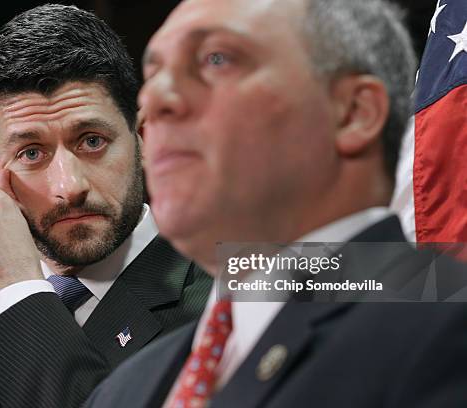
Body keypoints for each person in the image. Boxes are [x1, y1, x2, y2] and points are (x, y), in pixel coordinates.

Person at [84, 0, 467, 407]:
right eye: (153, 74)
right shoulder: (121, 392)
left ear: (353, 113)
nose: (153, 103)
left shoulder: (446, 333)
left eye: (216, 60)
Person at [0, 5, 211, 408]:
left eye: (91, 141)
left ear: (142, 136)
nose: (69, 188)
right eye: (32, 153)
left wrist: (16, 295)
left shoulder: (235, 295)